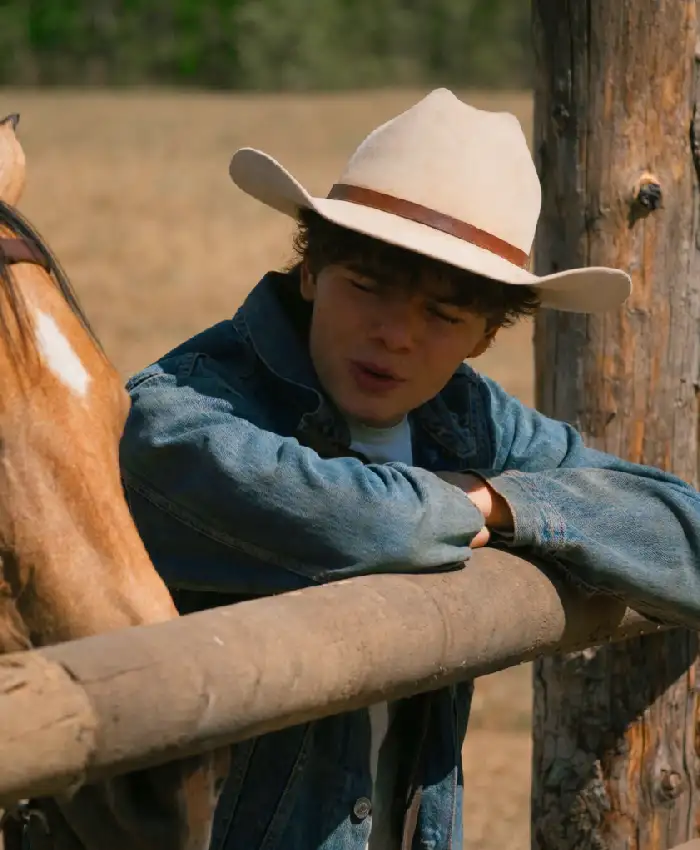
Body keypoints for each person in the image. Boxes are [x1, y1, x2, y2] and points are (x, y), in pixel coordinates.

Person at [119, 88, 700, 850]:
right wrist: (468, 507)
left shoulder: (465, 417)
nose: (395, 334)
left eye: (443, 315)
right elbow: (367, 522)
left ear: (484, 336)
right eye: (368, 287)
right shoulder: (180, 410)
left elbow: (683, 531)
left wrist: (500, 502)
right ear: (309, 270)